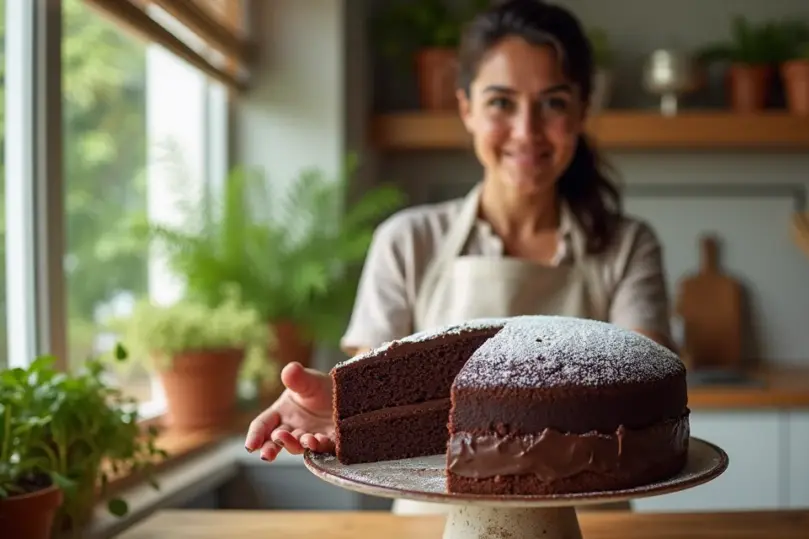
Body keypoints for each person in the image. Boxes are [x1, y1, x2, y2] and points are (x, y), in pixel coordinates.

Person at [244, 0, 675, 514]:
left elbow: (642, 386)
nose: (526, 130)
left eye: (553, 103)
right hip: (433, 524)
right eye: (501, 102)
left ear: (582, 111)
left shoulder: (627, 246)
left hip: (592, 524)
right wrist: (343, 409)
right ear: (466, 108)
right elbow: (376, 388)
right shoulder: (407, 241)